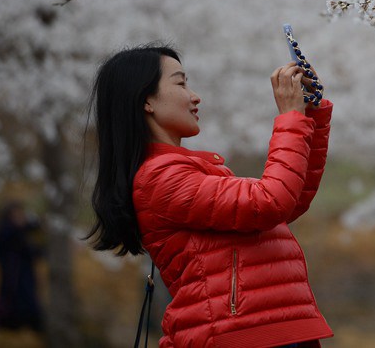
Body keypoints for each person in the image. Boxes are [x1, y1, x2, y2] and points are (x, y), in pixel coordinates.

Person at [86, 44, 333, 348]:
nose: (195, 96)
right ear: (146, 100)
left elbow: (288, 200)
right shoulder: (160, 178)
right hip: (237, 335)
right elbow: (270, 201)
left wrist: (310, 113)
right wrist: (291, 117)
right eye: (180, 83)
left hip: (265, 330)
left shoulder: (187, 171)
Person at [0, 201, 44, 332]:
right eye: (17, 215)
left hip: (21, 280)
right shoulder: (7, 232)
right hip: (13, 282)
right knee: (21, 308)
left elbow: (32, 250)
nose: (21, 218)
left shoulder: (16, 232)